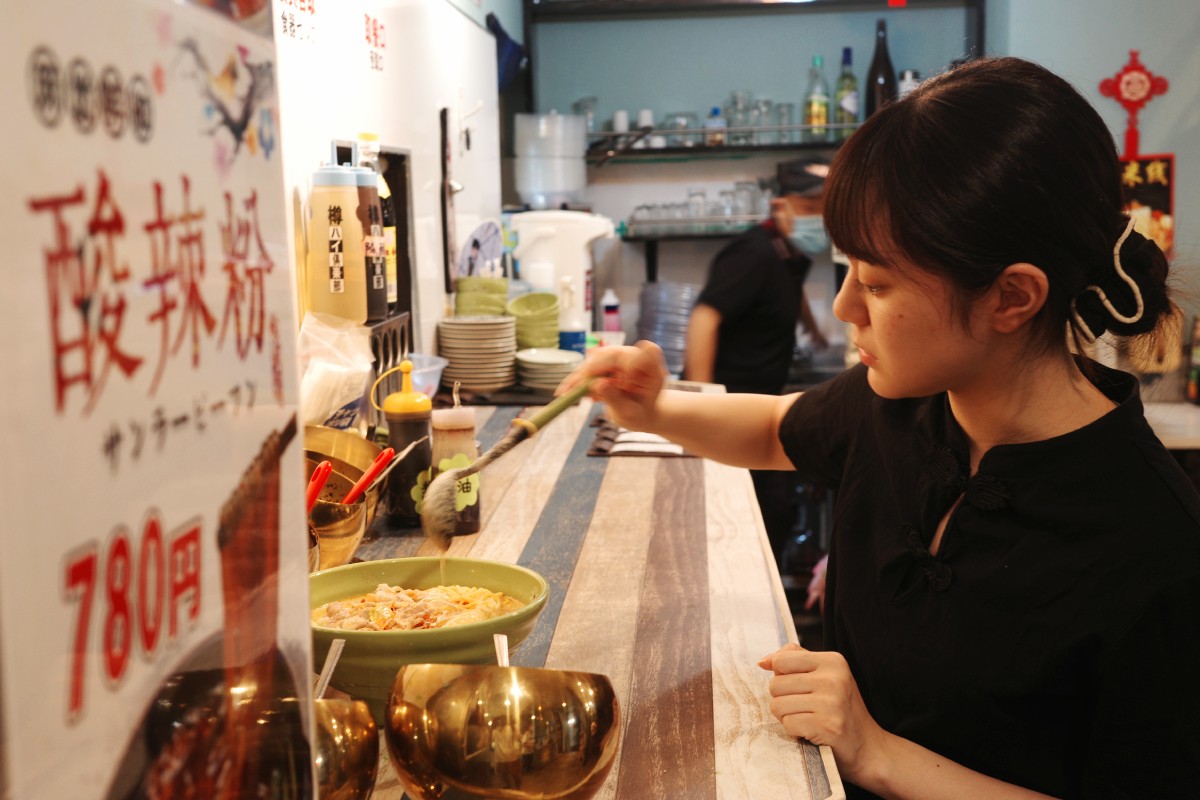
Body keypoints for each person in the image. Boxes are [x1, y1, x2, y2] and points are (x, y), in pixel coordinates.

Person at [560, 56, 1200, 798]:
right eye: (848, 273)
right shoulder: (898, 407)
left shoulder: (1155, 550)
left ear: (1012, 296)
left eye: (879, 283)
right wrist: (657, 407)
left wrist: (875, 751)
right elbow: (773, 428)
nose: (844, 309)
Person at [685, 159, 831, 557]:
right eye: (808, 209)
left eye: (824, 210)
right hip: (732, 403)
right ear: (779, 206)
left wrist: (813, 327)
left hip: (760, 397)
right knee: (749, 517)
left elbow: (792, 287)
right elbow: (704, 317)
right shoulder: (753, 254)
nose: (818, 219)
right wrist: (703, 401)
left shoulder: (791, 251)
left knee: (770, 511)